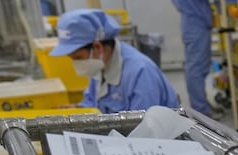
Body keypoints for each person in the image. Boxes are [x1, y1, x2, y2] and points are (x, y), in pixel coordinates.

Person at [50, 9, 180, 114]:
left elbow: (144, 129)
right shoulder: (99, 64)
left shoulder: (140, 73)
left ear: (97, 47)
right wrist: (79, 109)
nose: (75, 63)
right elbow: (93, 102)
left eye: (77, 58)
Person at [172, 0, 215, 117]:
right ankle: (201, 110)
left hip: (195, 23)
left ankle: (201, 105)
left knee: (198, 67)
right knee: (196, 68)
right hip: (197, 23)